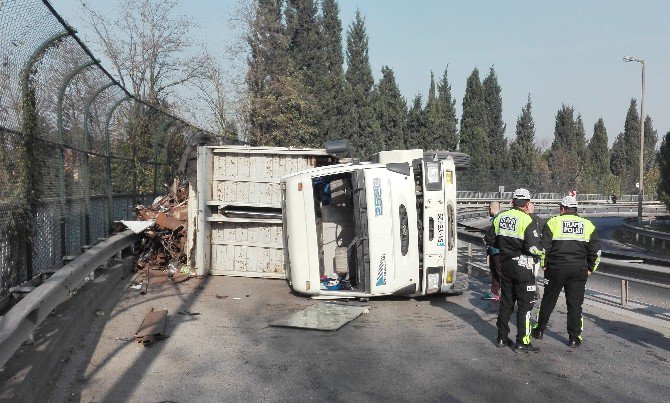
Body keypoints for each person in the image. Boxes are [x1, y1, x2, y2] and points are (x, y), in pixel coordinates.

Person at [531, 196, 601, 348]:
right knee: (575, 305)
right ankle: (574, 337)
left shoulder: (553, 222)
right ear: (576, 209)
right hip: (578, 270)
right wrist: (590, 268)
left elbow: (544, 248)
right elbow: (595, 251)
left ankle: (540, 330)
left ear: (562, 209)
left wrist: (544, 265)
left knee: (548, 300)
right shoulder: (588, 225)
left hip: (556, 269)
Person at [486, 188, 544, 352]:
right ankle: (522, 341)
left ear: (512, 202)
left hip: (505, 265)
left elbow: (489, 240)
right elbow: (533, 248)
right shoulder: (527, 220)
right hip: (524, 268)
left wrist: (504, 249)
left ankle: (502, 338)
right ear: (527, 204)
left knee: (506, 303)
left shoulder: (500, 218)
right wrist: (543, 253)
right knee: (525, 305)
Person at [482, 201, 502, 301]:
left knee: (499, 273)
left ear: (491, 208)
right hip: (494, 250)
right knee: (495, 273)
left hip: (497, 251)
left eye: (488, 209)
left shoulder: (498, 219)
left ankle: (506, 294)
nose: (488, 211)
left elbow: (497, 236)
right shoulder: (496, 219)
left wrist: (488, 240)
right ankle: (494, 293)